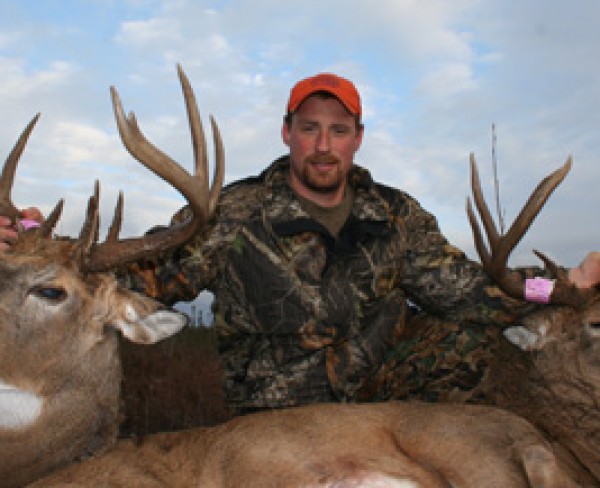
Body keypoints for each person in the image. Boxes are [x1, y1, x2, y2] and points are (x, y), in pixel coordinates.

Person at [2, 73, 599, 415]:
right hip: (277, 406)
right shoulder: (232, 214)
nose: (322, 144)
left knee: (470, 340)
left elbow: (475, 293)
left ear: (357, 139)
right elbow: (135, 282)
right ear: (287, 132)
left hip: (376, 394)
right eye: (309, 128)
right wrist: (31, 242)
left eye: (338, 130)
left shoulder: (396, 216)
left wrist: (563, 284)